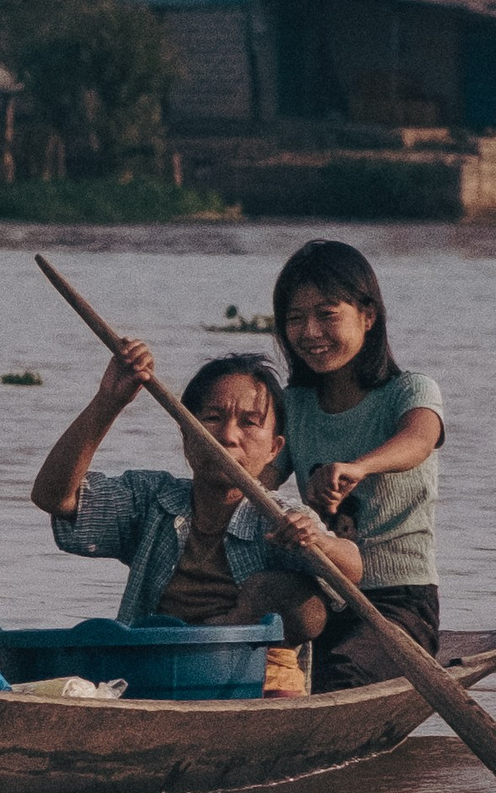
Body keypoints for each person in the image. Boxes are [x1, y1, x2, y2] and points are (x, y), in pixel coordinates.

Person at [31, 347, 358, 697]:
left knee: (298, 602)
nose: (228, 437)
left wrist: (319, 542)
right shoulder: (151, 500)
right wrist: (109, 401)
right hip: (155, 673)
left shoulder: (279, 516)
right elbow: (54, 497)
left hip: (255, 684)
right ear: (187, 436)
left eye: (249, 423)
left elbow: (351, 570)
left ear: (275, 449)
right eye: (213, 418)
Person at [265, 239, 444, 694]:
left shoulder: (409, 390)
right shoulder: (295, 404)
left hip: (397, 602)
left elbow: (419, 440)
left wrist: (359, 468)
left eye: (327, 315)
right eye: (295, 318)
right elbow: (257, 479)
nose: (309, 332)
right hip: (317, 593)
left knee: (338, 679)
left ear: (368, 316)